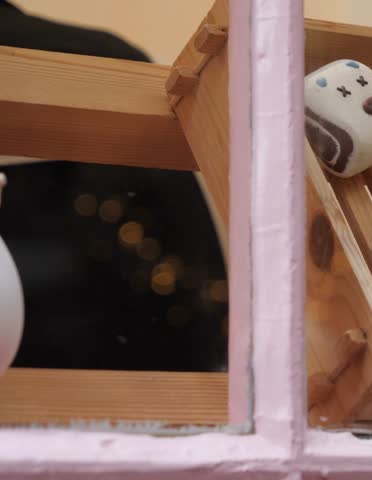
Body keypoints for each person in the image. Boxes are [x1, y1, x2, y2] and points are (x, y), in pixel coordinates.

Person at [0, 1, 228, 372]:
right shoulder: (108, 58)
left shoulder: (99, 62)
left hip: (83, 362)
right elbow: (193, 284)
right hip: (145, 379)